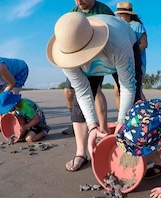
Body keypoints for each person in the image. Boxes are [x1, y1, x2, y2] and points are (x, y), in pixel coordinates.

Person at [47, 12, 139, 171]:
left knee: (135, 101)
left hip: (122, 46)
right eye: (76, 57)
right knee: (78, 104)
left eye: (83, 55)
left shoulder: (118, 43)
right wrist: (92, 127)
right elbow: (82, 91)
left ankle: (137, 146)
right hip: (93, 49)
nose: (82, 61)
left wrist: (121, 122)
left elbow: (128, 86)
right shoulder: (65, 50)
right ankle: (81, 153)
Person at [60, 0, 115, 136]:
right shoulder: (73, 13)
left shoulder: (103, 10)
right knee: (68, 91)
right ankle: (78, 121)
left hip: (97, 58)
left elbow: (113, 36)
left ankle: (102, 127)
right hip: (77, 58)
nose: (79, 1)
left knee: (95, 91)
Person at [114, 1, 147, 108]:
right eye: (118, 14)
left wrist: (130, 54)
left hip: (136, 64)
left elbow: (144, 44)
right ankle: (122, 118)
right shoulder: (117, 26)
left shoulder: (136, 26)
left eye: (122, 13)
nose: (119, 16)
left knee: (137, 93)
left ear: (128, 14)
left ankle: (146, 115)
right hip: (120, 64)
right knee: (117, 90)